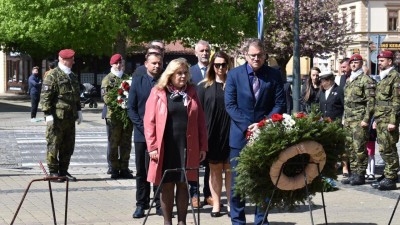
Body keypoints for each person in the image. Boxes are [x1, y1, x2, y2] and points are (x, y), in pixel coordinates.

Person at [225, 38, 285, 225]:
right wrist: (247, 126)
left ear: (265, 55)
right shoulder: (234, 75)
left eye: (260, 55)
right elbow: (230, 105)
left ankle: (261, 220)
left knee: (264, 181)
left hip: (265, 135)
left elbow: (279, 103)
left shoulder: (274, 75)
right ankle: (237, 221)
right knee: (237, 184)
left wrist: (262, 124)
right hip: (239, 137)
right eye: (253, 56)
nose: (256, 58)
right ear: (245, 56)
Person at [144, 58, 207, 225]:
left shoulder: (192, 92)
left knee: (184, 184)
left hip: (187, 146)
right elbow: (149, 122)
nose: (183, 76)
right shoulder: (158, 92)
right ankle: (167, 222)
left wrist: (203, 146)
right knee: (167, 185)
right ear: (170, 75)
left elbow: (201, 121)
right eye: (179, 73)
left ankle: (182, 222)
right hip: (165, 146)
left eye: (185, 73)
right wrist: (152, 147)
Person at [127, 52, 163, 218]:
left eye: (159, 63)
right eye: (153, 63)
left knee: (158, 170)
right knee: (141, 171)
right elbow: (131, 109)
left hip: (160, 135)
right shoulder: (138, 81)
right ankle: (141, 204)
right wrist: (145, 129)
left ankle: (160, 204)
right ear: (146, 64)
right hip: (142, 135)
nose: (156, 66)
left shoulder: (165, 82)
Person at [197, 51, 231, 217]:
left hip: (230, 133)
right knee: (215, 170)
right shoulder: (204, 86)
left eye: (223, 64)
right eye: (217, 65)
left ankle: (232, 204)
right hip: (212, 134)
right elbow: (198, 114)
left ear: (228, 65)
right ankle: (216, 204)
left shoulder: (233, 84)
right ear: (212, 66)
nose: (220, 68)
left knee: (230, 170)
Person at [40, 49, 83, 181]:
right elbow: (45, 97)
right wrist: (47, 114)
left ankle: (64, 171)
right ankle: (53, 172)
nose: (74, 61)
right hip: (57, 118)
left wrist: (79, 111)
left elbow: (76, 97)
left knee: (68, 146)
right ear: (64, 60)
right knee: (54, 144)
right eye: (72, 59)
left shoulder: (72, 76)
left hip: (70, 118)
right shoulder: (52, 75)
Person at [341, 53, 376, 186]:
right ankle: (353, 173)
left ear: (361, 64)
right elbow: (347, 102)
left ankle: (360, 174)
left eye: (356, 62)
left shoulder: (366, 80)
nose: (354, 65)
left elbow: (371, 102)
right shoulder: (350, 80)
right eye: (352, 63)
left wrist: (366, 119)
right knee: (349, 148)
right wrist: (344, 118)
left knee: (359, 148)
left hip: (359, 119)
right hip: (349, 119)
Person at [101, 54, 134, 179]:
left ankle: (124, 167)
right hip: (113, 116)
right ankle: (114, 168)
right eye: (117, 63)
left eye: (121, 63)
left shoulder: (127, 78)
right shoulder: (108, 79)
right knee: (114, 142)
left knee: (126, 143)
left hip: (126, 116)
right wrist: (121, 102)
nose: (119, 65)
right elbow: (106, 98)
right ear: (112, 64)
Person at [370, 50, 400, 191]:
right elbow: (379, 101)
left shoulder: (395, 77)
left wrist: (393, 121)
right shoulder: (383, 77)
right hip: (381, 118)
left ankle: (392, 177)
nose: (379, 63)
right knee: (382, 148)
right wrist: (376, 119)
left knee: (389, 148)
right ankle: (388, 173)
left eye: (382, 60)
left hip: (389, 119)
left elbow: (396, 101)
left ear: (390, 61)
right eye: (379, 60)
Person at [189, 39, 212, 208]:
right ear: (195, 53)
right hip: (195, 122)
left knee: (211, 161)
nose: (205, 53)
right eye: (202, 50)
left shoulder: (216, 70)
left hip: (212, 123)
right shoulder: (189, 72)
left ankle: (208, 193)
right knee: (194, 161)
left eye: (207, 50)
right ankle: (194, 193)